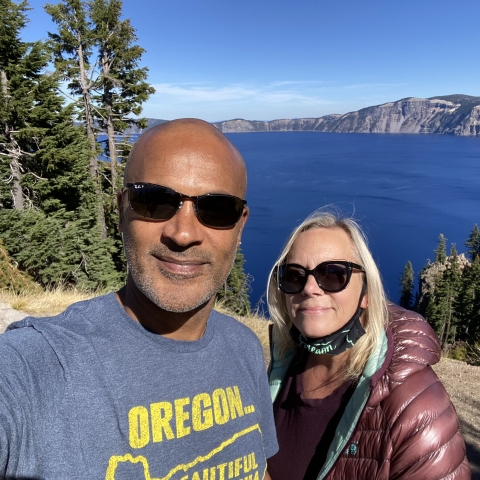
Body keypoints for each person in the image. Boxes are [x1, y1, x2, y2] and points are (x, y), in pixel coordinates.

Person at [0, 119, 278, 479]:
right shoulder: (39, 364)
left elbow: (259, 467)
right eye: (154, 200)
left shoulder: (244, 346)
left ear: (240, 226)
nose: (183, 233)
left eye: (217, 209)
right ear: (122, 210)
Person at [266, 210, 470, 480]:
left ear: (366, 293)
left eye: (333, 274)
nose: (309, 288)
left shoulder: (417, 409)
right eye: (294, 275)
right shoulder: (282, 367)